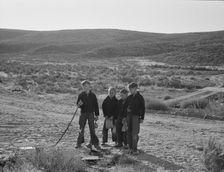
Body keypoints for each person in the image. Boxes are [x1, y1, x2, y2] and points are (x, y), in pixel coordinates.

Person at [76, 80, 100, 150]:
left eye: (87, 86)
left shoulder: (93, 95)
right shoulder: (81, 95)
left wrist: (97, 114)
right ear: (82, 87)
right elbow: (78, 104)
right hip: (83, 113)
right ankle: (79, 143)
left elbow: (96, 105)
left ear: (89, 86)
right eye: (84, 86)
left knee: (92, 129)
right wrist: (79, 105)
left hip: (91, 114)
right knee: (81, 128)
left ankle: (93, 144)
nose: (86, 87)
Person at [126, 82, 145, 154]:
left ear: (136, 88)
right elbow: (126, 107)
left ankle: (134, 150)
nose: (130, 90)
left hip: (136, 117)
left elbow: (143, 108)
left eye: (131, 89)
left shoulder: (140, 97)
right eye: (129, 89)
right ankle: (130, 148)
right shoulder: (129, 97)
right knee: (129, 133)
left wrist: (142, 118)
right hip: (129, 116)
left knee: (134, 133)